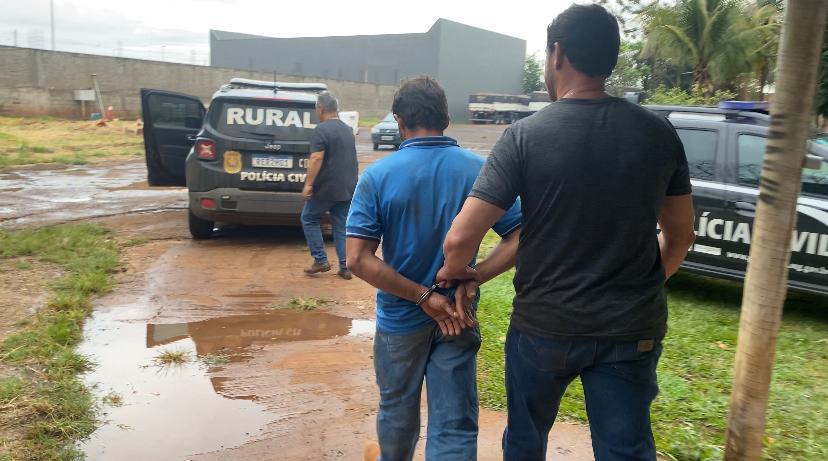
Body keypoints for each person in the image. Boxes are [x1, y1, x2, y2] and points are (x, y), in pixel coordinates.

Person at [438, 5, 697, 461]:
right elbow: (680, 237)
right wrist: (644, 287)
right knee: (626, 450)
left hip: (544, 327)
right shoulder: (658, 134)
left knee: (525, 441)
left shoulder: (525, 136)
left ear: (557, 55)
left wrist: (461, 275)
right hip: (631, 330)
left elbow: (460, 240)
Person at [345, 76, 522, 461]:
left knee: (396, 410)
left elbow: (357, 258)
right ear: (444, 116)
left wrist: (422, 296)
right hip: (457, 315)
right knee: (455, 424)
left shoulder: (378, 176)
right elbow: (522, 236)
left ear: (398, 119)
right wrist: (477, 276)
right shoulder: (481, 171)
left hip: (399, 318)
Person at [301, 91, 359, 280]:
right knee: (341, 226)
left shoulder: (322, 129)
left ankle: (320, 259)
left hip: (326, 189)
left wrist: (309, 184)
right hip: (347, 188)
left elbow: (317, 157)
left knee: (309, 218)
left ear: (321, 109)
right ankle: (345, 267)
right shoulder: (347, 129)